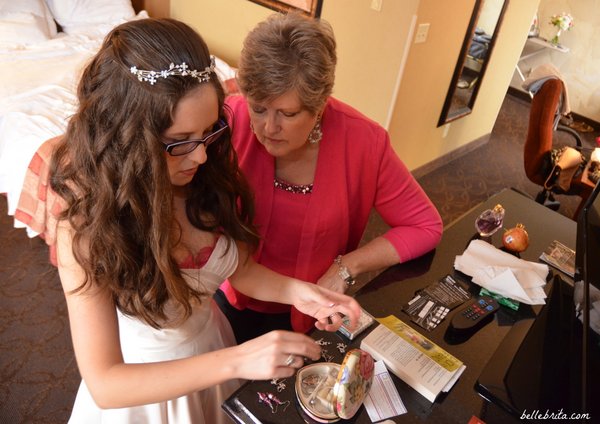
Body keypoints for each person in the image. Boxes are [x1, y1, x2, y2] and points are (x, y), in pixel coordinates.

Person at [45, 18, 360, 423]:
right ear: (128, 138)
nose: (201, 156)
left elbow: (239, 269)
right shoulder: (86, 230)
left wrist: (302, 293)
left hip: (214, 351)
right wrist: (238, 360)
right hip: (145, 391)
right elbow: (106, 383)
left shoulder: (204, 178)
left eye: (209, 131)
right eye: (179, 142)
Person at [215, 12, 443, 343]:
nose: (268, 127)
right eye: (259, 108)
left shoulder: (364, 142)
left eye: (288, 114)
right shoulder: (229, 120)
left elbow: (425, 226)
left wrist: (345, 268)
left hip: (311, 314)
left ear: (319, 105)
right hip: (231, 295)